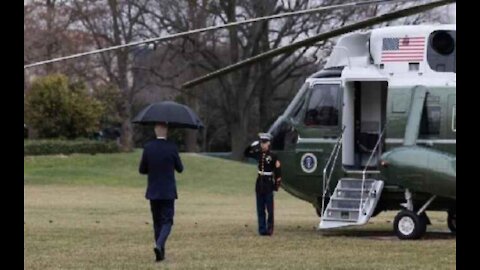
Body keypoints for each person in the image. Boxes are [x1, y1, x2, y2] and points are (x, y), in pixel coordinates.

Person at [139, 122, 183, 262]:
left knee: (157, 221)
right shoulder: (172, 147)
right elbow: (180, 168)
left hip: (153, 190)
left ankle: (160, 253)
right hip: (168, 191)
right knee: (167, 221)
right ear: (167, 131)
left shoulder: (148, 147)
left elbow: (142, 169)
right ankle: (159, 245)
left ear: (155, 130)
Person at [244, 133, 282, 236]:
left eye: (264, 143)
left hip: (268, 183)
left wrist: (276, 185)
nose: (262, 145)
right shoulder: (258, 153)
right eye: (261, 143)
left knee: (270, 209)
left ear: (268, 143)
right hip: (259, 183)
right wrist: (252, 145)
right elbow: (246, 154)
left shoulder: (273, 156)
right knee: (260, 208)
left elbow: (278, 172)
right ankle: (262, 229)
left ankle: (269, 229)